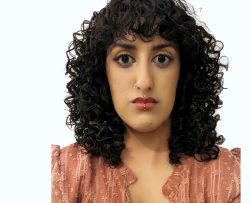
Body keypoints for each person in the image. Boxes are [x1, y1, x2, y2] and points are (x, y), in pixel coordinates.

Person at [51, 0, 240, 202]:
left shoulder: (229, 177)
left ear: (184, 71)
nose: (144, 82)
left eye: (161, 59)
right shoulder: (62, 174)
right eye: (124, 59)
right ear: (101, 71)